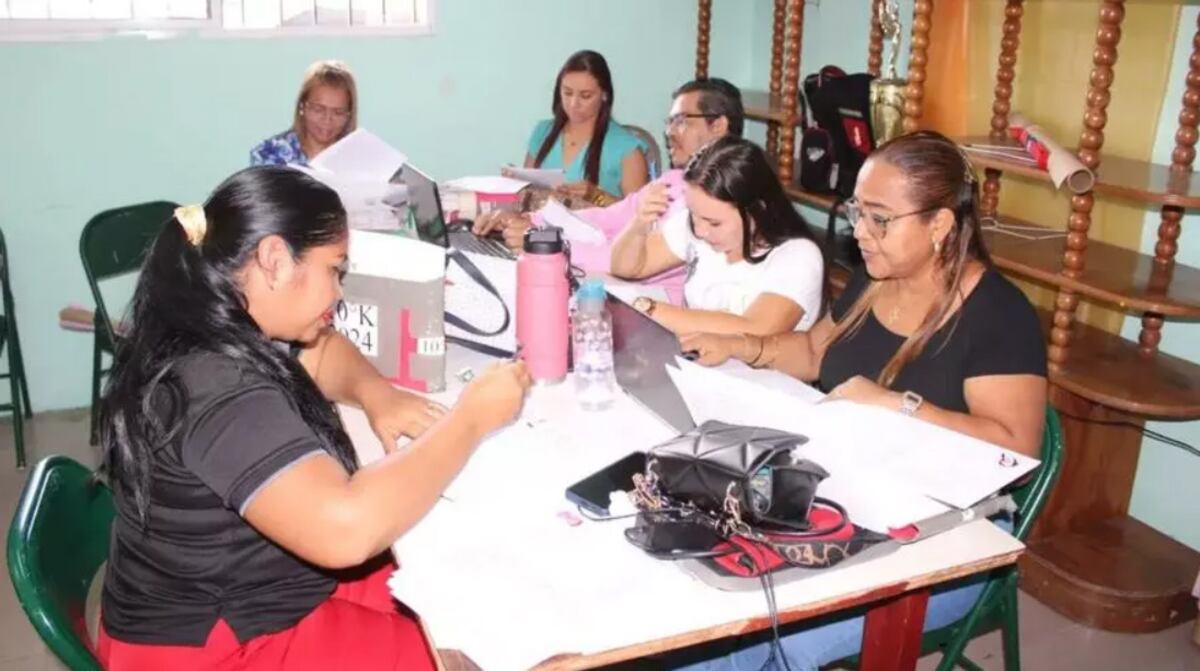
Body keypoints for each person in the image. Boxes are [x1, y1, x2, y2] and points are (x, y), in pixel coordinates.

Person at [96, 166, 530, 670]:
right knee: (463, 653)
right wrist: (470, 420)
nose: (339, 293)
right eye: (334, 270)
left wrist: (376, 394)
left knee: (458, 585)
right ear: (276, 260)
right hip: (212, 646)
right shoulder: (214, 384)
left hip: (245, 593)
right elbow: (345, 530)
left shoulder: (220, 318)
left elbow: (323, 355)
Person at [670, 131, 1048, 670]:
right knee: (703, 593)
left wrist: (898, 404)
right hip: (857, 491)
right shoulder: (876, 280)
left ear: (939, 224)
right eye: (857, 211)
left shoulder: (997, 314)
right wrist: (742, 347)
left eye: (880, 219)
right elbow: (813, 352)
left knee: (754, 641)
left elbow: (1016, 448)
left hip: (951, 540)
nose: (859, 232)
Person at [476, 77, 746, 305]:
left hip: (650, 310)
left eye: (680, 121)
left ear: (718, 126)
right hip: (607, 285)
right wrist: (531, 223)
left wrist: (543, 242)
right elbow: (606, 219)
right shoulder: (675, 179)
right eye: (669, 121)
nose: (669, 132)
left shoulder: (715, 201)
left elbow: (632, 264)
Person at [609, 135, 827, 336]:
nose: (701, 231)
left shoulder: (798, 255)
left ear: (756, 210)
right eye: (695, 215)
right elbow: (629, 267)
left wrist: (648, 309)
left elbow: (755, 330)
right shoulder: (697, 224)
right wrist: (639, 224)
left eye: (715, 223)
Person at [518, 50, 649, 200]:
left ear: (604, 95)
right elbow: (524, 197)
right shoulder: (543, 132)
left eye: (585, 96)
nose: (574, 104)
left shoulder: (626, 149)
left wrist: (597, 196)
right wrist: (513, 182)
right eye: (567, 93)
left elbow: (638, 214)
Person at [250, 60, 357, 167]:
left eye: (338, 112)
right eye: (318, 109)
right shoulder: (270, 154)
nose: (327, 119)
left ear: (349, 114)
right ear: (302, 106)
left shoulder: (357, 159)